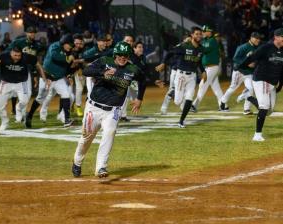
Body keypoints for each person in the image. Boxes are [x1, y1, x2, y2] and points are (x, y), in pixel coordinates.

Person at [72, 41, 146, 178]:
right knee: (86, 138)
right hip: (93, 107)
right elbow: (86, 71)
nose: (122, 57)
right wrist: (103, 73)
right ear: (115, 54)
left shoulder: (132, 69)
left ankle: (101, 167)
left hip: (114, 110)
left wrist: (139, 99)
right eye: (120, 55)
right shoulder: (105, 61)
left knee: (109, 133)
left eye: (125, 55)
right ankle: (77, 161)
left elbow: (143, 80)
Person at [238, 28, 283, 141]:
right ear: (276, 37)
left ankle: (248, 97)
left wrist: (280, 84)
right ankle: (257, 135)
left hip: (272, 82)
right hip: (261, 79)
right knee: (264, 106)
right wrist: (242, 66)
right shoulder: (266, 47)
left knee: (269, 111)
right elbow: (252, 57)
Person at [0, 46, 47, 132]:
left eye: (19, 55)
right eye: (15, 55)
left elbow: (38, 64)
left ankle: (18, 108)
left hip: (21, 83)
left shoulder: (26, 57)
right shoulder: (3, 56)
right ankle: (5, 122)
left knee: (24, 101)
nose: (17, 57)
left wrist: (44, 78)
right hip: (6, 83)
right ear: (11, 53)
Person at [25, 34, 75, 128]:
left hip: (58, 78)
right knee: (40, 98)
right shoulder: (55, 46)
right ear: (64, 43)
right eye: (69, 44)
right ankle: (30, 115)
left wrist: (68, 75)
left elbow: (68, 66)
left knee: (66, 95)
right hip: (47, 77)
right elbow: (55, 56)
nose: (70, 47)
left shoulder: (69, 51)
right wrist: (67, 58)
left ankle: (67, 120)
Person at [163, 26, 205, 128]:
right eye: (196, 34)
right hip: (181, 75)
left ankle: (181, 121)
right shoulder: (184, 46)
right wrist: (163, 63)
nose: (199, 36)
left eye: (200, 34)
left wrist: (203, 71)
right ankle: (173, 92)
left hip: (192, 76)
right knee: (177, 101)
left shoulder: (201, 48)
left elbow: (198, 61)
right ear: (192, 35)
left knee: (189, 98)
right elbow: (170, 52)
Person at [220, 32, 261, 114]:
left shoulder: (257, 48)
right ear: (251, 38)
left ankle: (246, 109)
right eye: (256, 38)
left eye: (259, 39)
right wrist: (247, 63)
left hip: (248, 73)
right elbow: (235, 59)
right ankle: (223, 102)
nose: (258, 40)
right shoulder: (243, 47)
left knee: (251, 89)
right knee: (232, 88)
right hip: (239, 72)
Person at [192, 25, 223, 112]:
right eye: (203, 31)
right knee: (216, 88)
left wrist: (195, 45)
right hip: (209, 68)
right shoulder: (205, 40)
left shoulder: (212, 40)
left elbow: (204, 50)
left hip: (212, 67)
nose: (203, 33)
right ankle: (223, 105)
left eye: (204, 31)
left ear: (209, 32)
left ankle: (194, 105)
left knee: (203, 85)